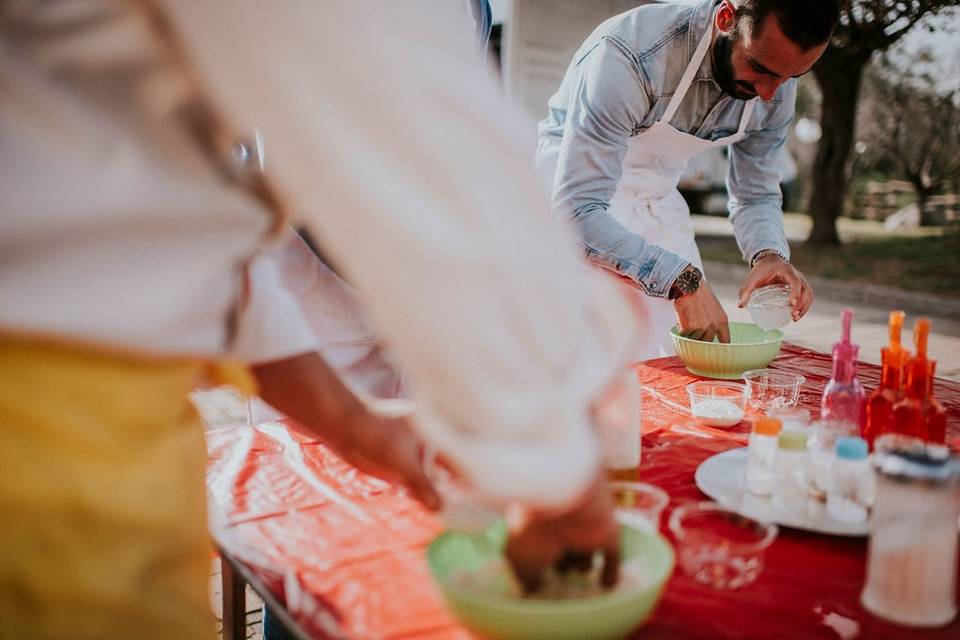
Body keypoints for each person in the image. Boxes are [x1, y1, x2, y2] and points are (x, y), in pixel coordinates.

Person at [0, 2, 637, 637]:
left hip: (112, 406)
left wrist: (355, 424)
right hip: (47, 424)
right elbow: (434, 159)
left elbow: (192, 186)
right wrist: (555, 465)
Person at [536, 0, 836, 358]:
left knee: (684, 353)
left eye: (790, 77)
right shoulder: (628, 55)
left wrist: (769, 255)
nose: (770, 93)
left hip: (658, 203)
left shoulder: (776, 82)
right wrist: (681, 281)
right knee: (586, 358)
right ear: (726, 17)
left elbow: (755, 194)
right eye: (759, 68)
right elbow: (577, 212)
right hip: (571, 207)